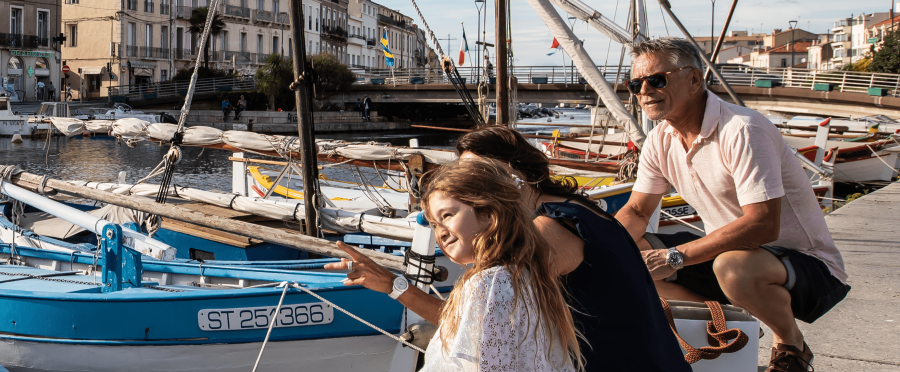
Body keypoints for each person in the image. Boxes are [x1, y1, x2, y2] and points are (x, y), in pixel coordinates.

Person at [612, 37, 849, 372]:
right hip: (727, 255)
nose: (644, 91)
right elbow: (636, 212)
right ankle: (725, 325)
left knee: (732, 268)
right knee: (627, 251)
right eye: (635, 84)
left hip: (806, 267)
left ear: (694, 79)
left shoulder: (743, 130)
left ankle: (790, 343)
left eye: (657, 79)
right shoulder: (660, 139)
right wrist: (603, 251)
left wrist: (674, 257)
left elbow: (763, 224)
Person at [449, 126, 694, 371]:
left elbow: (485, 321)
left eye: (480, 174)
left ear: (515, 170)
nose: (471, 186)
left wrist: (409, 291)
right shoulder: (580, 209)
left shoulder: (549, 229)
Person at [331, 158, 581, 371]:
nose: (441, 232)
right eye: (435, 224)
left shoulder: (488, 283)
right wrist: (391, 284)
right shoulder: (522, 274)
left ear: (489, 214)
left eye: (448, 215)